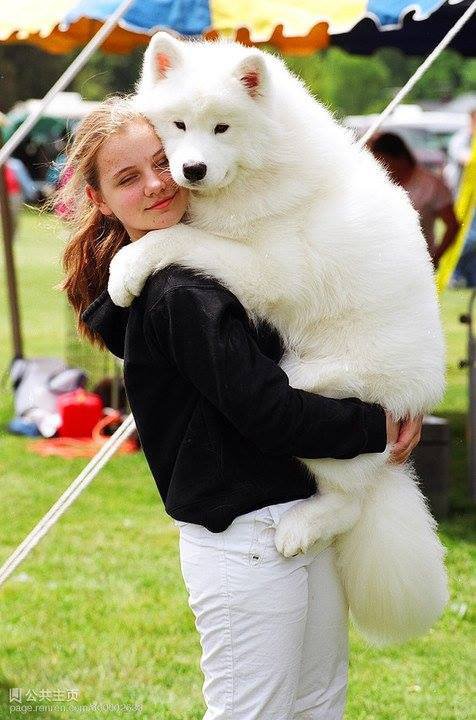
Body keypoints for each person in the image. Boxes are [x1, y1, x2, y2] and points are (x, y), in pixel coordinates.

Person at [57, 97, 422, 720]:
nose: (156, 184)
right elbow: (268, 412)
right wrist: (375, 428)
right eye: (127, 178)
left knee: (316, 706)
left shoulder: (203, 258)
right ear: (100, 200)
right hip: (245, 538)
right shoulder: (178, 290)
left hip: (298, 513)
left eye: (161, 161)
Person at [369, 132, 460, 269]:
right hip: (380, 263)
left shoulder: (431, 185)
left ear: (399, 158)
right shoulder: (375, 183)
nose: (380, 168)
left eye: (383, 162)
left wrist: (435, 258)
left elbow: (452, 225)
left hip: (416, 265)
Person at [448, 109, 476, 287]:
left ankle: (467, 277)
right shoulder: (460, 140)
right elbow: (466, 160)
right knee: (467, 238)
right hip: (461, 200)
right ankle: (452, 272)